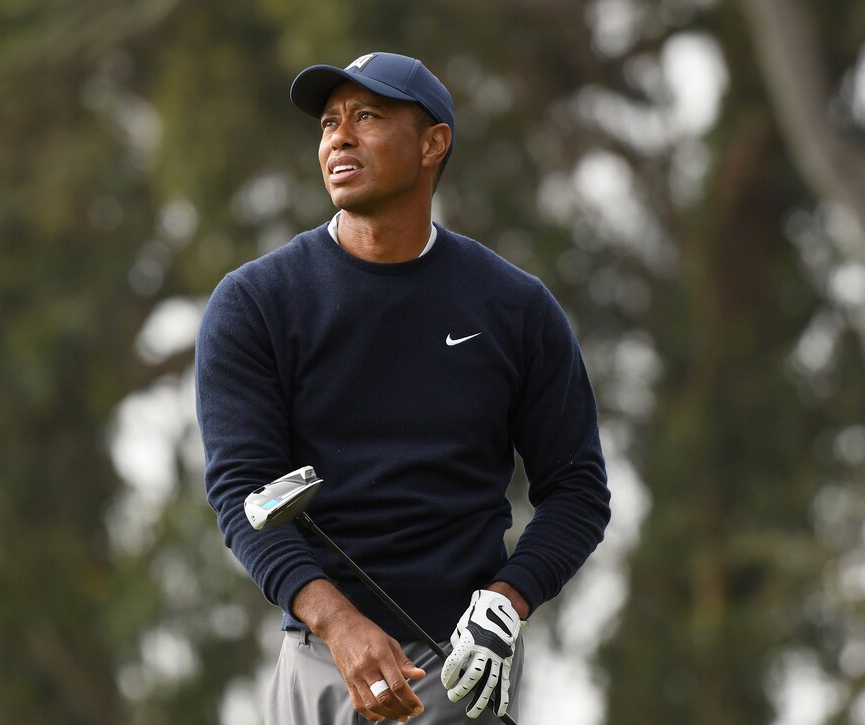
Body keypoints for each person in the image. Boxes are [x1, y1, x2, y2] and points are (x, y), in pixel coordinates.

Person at [195, 51, 611, 724]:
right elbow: (242, 490)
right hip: (317, 657)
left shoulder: (514, 307)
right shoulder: (255, 303)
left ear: (433, 143)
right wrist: (340, 624)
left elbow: (578, 489)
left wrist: (508, 599)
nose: (339, 136)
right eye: (330, 122)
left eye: (367, 115)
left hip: (460, 664)